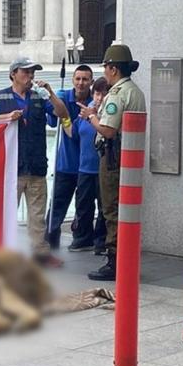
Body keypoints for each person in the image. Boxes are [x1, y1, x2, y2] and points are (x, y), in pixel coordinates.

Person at [0, 57, 69, 268]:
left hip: (37, 165)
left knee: (37, 215)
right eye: (26, 72)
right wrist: (6, 117)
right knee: (6, 213)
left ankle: (40, 254)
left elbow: (62, 114)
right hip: (11, 168)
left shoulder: (39, 98)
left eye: (32, 72)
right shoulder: (1, 97)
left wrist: (50, 93)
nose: (30, 76)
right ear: (13, 73)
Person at [78, 44, 145, 281]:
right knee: (124, 209)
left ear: (113, 69)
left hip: (113, 157)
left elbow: (107, 130)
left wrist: (91, 116)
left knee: (112, 208)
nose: (105, 72)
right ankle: (125, 259)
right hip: (128, 157)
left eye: (106, 67)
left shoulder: (117, 94)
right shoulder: (135, 91)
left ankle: (115, 260)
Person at [45, 65, 93, 250]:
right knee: (57, 204)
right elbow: (52, 116)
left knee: (85, 206)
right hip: (66, 163)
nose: (81, 83)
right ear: (73, 80)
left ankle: (82, 238)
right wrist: (51, 95)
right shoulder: (63, 97)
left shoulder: (94, 101)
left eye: (85, 79)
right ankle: (50, 237)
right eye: (78, 79)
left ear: (91, 82)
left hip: (86, 165)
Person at [69, 77, 108, 254]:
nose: (99, 98)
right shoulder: (85, 111)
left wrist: (94, 115)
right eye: (97, 93)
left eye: (103, 93)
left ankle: (101, 240)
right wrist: (64, 118)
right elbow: (74, 132)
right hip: (85, 167)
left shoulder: (108, 112)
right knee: (83, 204)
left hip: (103, 167)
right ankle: (83, 237)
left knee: (103, 206)